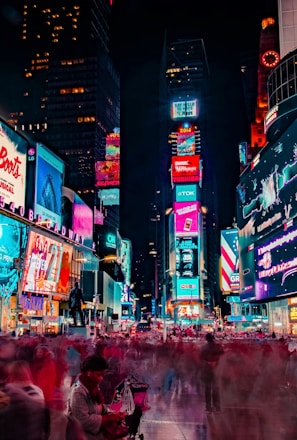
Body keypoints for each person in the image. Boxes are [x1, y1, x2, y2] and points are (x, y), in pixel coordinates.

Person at [67, 354, 127, 440]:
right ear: (88, 373)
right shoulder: (78, 392)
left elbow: (99, 408)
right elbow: (81, 420)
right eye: (98, 375)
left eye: (102, 375)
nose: (101, 378)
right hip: (83, 435)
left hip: (95, 433)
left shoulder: (92, 387)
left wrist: (114, 414)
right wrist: (107, 418)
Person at [199, 332, 224, 413]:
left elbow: (201, 358)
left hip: (207, 370)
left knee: (208, 389)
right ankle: (217, 407)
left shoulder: (204, 348)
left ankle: (208, 407)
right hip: (216, 369)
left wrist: (208, 362)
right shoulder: (218, 347)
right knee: (216, 388)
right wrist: (216, 362)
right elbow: (223, 356)